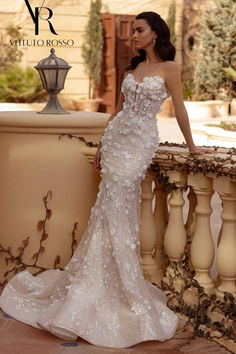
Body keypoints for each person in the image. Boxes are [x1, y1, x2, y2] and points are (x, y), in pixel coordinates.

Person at [0, 11, 216, 349]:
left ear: (155, 34)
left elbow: (181, 108)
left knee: (118, 208)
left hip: (140, 143)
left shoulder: (169, 69)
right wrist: (102, 144)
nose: (132, 35)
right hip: (116, 143)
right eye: (132, 30)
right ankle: (96, 282)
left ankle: (122, 286)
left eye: (139, 30)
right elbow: (116, 112)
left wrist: (192, 147)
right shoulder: (133, 69)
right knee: (106, 210)